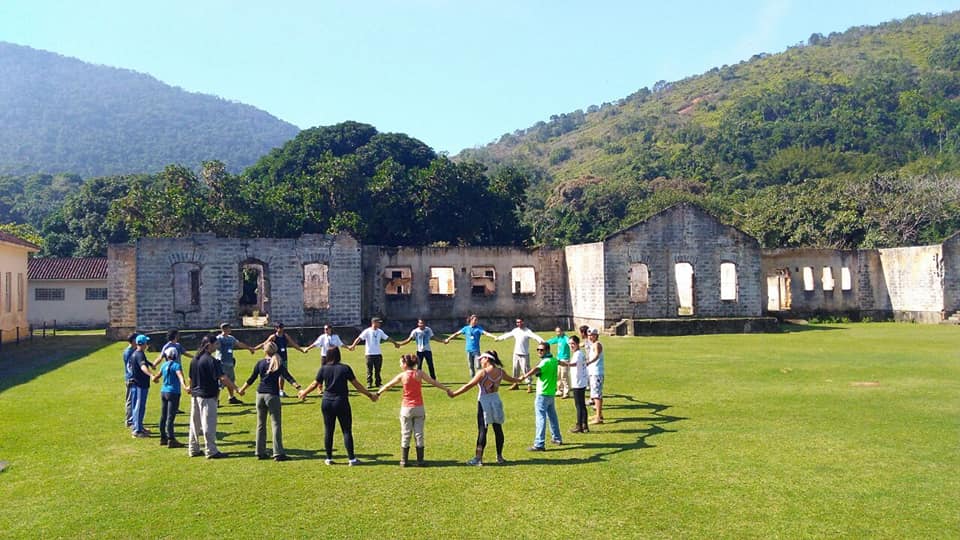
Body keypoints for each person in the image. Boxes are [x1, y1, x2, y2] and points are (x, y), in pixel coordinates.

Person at [297, 346, 378, 465]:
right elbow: (357, 385)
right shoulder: (345, 368)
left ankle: (328, 458)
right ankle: (351, 459)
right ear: (339, 355)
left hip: (327, 402)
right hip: (341, 401)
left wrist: (304, 392)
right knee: (346, 430)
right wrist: (370, 395)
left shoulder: (323, 369)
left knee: (328, 430)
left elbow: (315, 384)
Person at [376, 354, 452, 467]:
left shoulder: (402, 375)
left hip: (406, 408)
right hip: (419, 407)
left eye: (401, 362)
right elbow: (433, 382)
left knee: (405, 433)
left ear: (405, 364)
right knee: (419, 434)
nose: (400, 364)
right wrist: (446, 389)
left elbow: (388, 385)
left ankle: (404, 460)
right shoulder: (419, 373)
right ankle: (420, 460)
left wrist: (377, 393)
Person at [450, 350, 522, 466]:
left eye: (482, 359)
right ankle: (500, 457)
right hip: (496, 400)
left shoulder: (482, 373)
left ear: (487, 359)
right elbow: (513, 380)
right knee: (498, 429)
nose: (480, 361)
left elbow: (469, 385)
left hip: (484, 401)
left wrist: (454, 393)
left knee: (483, 429)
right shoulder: (500, 372)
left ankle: (478, 458)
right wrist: (521, 379)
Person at [238, 341, 302, 461]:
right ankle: (278, 452)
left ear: (265, 350)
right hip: (272, 395)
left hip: (260, 394)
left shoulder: (260, 363)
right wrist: (298, 387)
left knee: (260, 424)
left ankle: (259, 451)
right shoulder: (278, 363)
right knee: (276, 424)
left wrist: (242, 389)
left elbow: (251, 379)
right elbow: (288, 377)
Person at [188, 333, 241, 459]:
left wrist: (190, 389)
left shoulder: (195, 359)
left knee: (194, 423)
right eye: (215, 344)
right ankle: (211, 450)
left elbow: (190, 378)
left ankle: (193, 448)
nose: (217, 346)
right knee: (208, 424)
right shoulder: (212, 361)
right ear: (208, 345)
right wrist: (236, 388)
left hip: (195, 395)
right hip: (207, 395)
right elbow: (223, 378)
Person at [521, 341, 563, 451]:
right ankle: (557, 438)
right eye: (538, 350)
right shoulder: (553, 360)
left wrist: (524, 376)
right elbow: (560, 362)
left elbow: (536, 370)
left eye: (541, 350)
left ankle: (539, 444)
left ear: (547, 350)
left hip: (542, 394)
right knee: (552, 417)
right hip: (550, 393)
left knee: (541, 418)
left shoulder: (544, 362)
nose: (539, 351)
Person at [494, 317, 544, 393]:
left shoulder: (527, 331)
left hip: (524, 354)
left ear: (523, 322)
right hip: (516, 354)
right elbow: (508, 335)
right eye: (517, 322)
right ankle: (515, 384)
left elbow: (535, 336)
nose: (519, 324)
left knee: (526, 370)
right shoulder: (515, 331)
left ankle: (529, 385)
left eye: (520, 322)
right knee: (515, 369)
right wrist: (499, 338)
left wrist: (542, 341)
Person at [152, 346, 189, 448]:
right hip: (174, 392)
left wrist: (154, 378)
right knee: (170, 417)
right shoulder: (177, 365)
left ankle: (163, 437)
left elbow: (157, 376)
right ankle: (171, 439)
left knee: (163, 416)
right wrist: (185, 387)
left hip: (163, 392)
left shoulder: (164, 365)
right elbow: (180, 377)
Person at [347, 317, 398, 388]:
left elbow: (387, 338)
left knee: (378, 370)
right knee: (369, 370)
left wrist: (395, 343)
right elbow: (359, 338)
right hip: (369, 354)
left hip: (378, 353)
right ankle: (369, 383)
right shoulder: (367, 331)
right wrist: (353, 345)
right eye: (378, 322)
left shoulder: (380, 331)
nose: (379, 324)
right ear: (373, 323)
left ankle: (378, 383)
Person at [255, 322, 303, 397]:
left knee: (283, 375)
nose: (281, 329)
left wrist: (301, 350)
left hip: (284, 358)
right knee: (276, 374)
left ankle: (281, 390)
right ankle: (275, 390)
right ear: (276, 328)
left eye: (282, 327)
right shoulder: (273, 337)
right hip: (275, 359)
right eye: (279, 327)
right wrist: (254, 348)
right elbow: (265, 344)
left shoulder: (285, 336)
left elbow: (293, 344)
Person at [216, 323, 256, 404]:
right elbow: (215, 346)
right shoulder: (219, 338)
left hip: (230, 362)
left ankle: (231, 397)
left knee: (231, 380)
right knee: (220, 382)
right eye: (229, 328)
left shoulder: (231, 338)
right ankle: (216, 400)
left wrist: (249, 348)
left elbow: (239, 344)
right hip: (221, 363)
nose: (230, 329)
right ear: (224, 329)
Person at [128, 334, 155, 438]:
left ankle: (139, 426)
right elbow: (143, 367)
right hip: (140, 385)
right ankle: (137, 431)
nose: (147, 344)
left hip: (138, 384)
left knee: (138, 407)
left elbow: (142, 362)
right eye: (146, 343)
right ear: (143, 344)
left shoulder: (137, 353)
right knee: (139, 407)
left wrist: (150, 363)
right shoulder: (139, 354)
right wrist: (151, 374)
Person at [563, 335, 589, 433]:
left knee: (578, 405)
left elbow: (573, 364)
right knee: (582, 405)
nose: (571, 346)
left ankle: (579, 425)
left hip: (578, 383)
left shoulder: (578, 354)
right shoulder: (578, 354)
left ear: (577, 344)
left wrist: (562, 363)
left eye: (573, 344)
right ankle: (584, 425)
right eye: (569, 344)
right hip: (581, 381)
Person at [586, 328, 605, 424]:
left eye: (592, 335)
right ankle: (599, 414)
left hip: (597, 372)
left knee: (596, 395)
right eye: (589, 335)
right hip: (593, 372)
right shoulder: (592, 344)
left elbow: (597, 355)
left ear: (596, 335)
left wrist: (589, 362)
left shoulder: (597, 344)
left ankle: (598, 417)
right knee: (595, 394)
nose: (590, 337)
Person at [546, 326, 571, 398]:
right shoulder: (558, 338)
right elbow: (552, 341)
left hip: (565, 360)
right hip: (558, 359)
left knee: (564, 376)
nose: (557, 333)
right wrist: (544, 342)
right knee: (558, 375)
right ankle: (559, 390)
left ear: (562, 331)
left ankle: (566, 392)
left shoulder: (565, 338)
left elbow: (569, 342)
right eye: (556, 331)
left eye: (559, 331)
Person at [122, 332, 137, 428]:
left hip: (132, 378)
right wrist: (133, 377)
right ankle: (129, 420)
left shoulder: (133, 350)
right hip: (131, 379)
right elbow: (129, 367)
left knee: (134, 400)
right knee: (130, 400)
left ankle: (133, 419)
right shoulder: (128, 352)